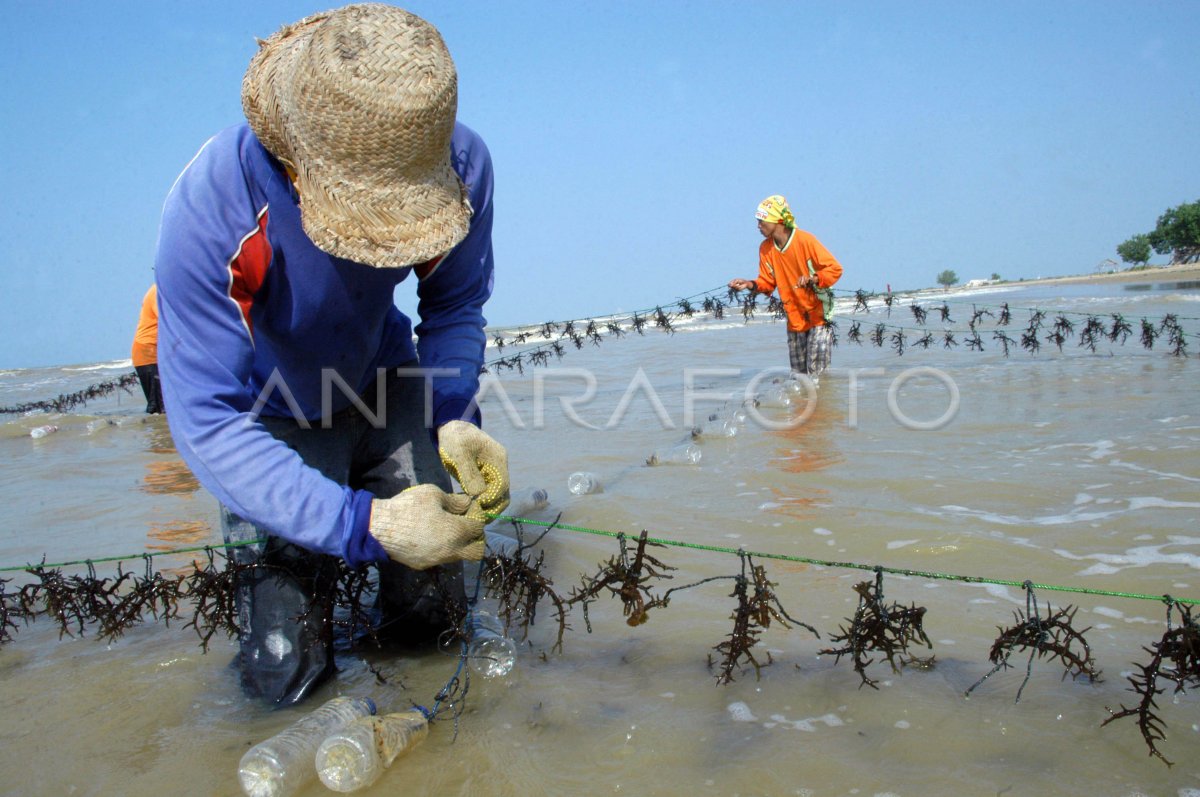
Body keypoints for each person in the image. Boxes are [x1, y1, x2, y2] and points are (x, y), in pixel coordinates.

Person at [154, 4, 509, 706]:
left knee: (431, 621)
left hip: (387, 382)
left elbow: (453, 304)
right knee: (286, 671)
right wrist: (364, 522)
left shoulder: (457, 164)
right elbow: (209, 421)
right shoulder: (213, 209)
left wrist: (451, 410)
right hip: (269, 416)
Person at [728, 195, 843, 381]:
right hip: (794, 319)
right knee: (798, 377)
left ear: (777, 220)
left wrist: (814, 279)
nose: (758, 226)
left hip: (819, 316)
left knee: (816, 376)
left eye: (762, 221)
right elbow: (766, 283)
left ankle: (822, 410)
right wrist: (749, 284)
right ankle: (802, 409)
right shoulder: (765, 248)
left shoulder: (806, 240)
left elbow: (835, 269)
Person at [131, 285, 164, 414]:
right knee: (158, 405)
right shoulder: (159, 290)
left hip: (155, 350)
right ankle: (158, 433)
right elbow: (166, 319)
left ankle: (159, 432)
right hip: (148, 350)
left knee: (163, 403)